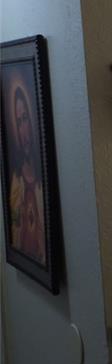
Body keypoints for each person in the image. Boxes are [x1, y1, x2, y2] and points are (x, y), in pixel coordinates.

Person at [8, 84, 46, 265]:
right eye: (19, 121)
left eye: (26, 119)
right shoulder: (16, 182)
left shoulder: (41, 182)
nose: (24, 132)